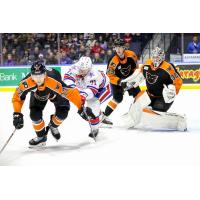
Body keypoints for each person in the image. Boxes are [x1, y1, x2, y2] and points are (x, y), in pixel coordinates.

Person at [12, 61, 90, 147]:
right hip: (38, 94)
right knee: (34, 115)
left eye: (40, 76)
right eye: (35, 76)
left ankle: (53, 126)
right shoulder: (26, 82)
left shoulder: (53, 81)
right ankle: (41, 137)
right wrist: (17, 113)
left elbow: (71, 93)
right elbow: (17, 97)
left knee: (63, 113)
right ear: (31, 75)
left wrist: (80, 107)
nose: (38, 80)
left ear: (45, 74)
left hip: (55, 92)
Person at [121, 47, 187, 131]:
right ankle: (134, 117)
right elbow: (139, 77)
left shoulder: (168, 67)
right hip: (149, 94)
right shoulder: (147, 64)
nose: (155, 59)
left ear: (162, 57)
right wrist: (128, 83)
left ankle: (179, 121)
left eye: (158, 57)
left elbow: (178, 81)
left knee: (155, 115)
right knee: (136, 105)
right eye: (154, 56)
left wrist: (173, 90)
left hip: (162, 98)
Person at [63, 56, 112, 139]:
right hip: (87, 88)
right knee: (90, 109)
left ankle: (95, 129)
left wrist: (82, 96)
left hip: (103, 88)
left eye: (85, 70)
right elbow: (67, 78)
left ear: (89, 68)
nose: (82, 71)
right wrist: (74, 90)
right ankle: (101, 117)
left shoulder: (94, 74)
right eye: (81, 69)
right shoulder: (75, 67)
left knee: (92, 108)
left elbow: (91, 91)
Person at [101, 38, 141, 125]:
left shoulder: (132, 55)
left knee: (138, 95)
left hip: (129, 79)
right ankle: (103, 117)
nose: (118, 49)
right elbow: (110, 75)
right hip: (117, 82)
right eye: (116, 47)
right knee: (118, 98)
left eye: (120, 47)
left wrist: (135, 78)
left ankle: (141, 113)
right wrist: (120, 82)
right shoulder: (113, 60)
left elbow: (136, 67)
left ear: (124, 48)